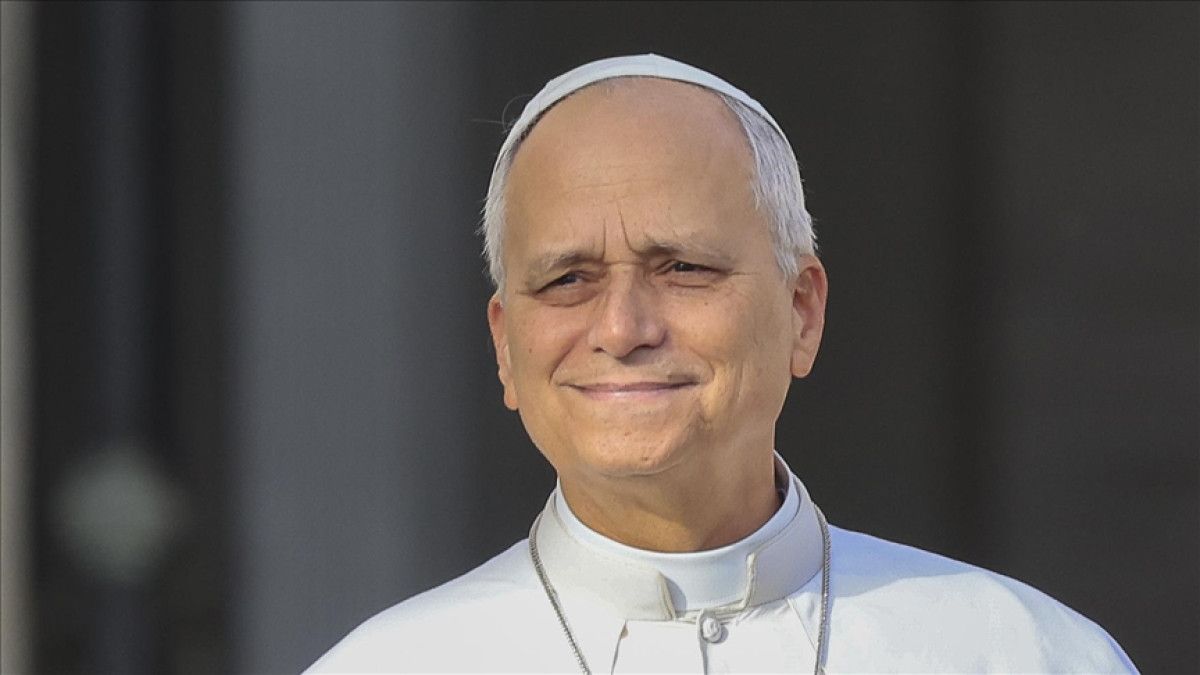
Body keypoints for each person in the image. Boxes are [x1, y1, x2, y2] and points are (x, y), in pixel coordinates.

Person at [308, 54, 1135, 673]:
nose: (622, 328)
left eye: (683, 268)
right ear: (505, 346)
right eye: (567, 280)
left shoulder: (1026, 653)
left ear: (801, 311)